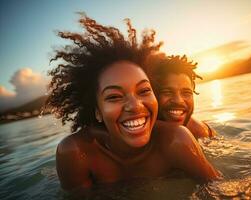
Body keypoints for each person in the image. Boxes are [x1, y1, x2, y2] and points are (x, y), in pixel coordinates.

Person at [46, 14, 219, 192]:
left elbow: (220, 189)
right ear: (97, 111)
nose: (135, 105)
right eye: (114, 96)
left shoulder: (178, 139)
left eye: (144, 91)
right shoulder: (75, 152)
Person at [148, 55, 217, 138]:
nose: (178, 100)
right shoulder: (142, 130)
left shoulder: (201, 132)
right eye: (167, 92)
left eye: (186, 93)